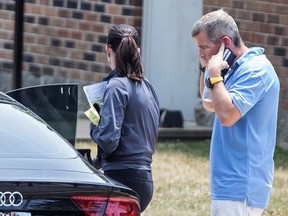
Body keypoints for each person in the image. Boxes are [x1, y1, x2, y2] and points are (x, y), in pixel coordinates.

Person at [191, 9, 280, 216]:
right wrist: (206, 68)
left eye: (204, 47)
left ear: (225, 43)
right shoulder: (233, 68)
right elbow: (208, 102)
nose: (200, 53)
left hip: (241, 186)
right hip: (229, 184)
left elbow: (227, 116)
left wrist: (214, 74)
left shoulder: (256, 70)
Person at [89, 24, 160, 212]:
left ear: (108, 51)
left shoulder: (116, 86)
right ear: (138, 51)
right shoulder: (148, 86)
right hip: (145, 179)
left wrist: (94, 127)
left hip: (121, 177)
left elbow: (109, 140)